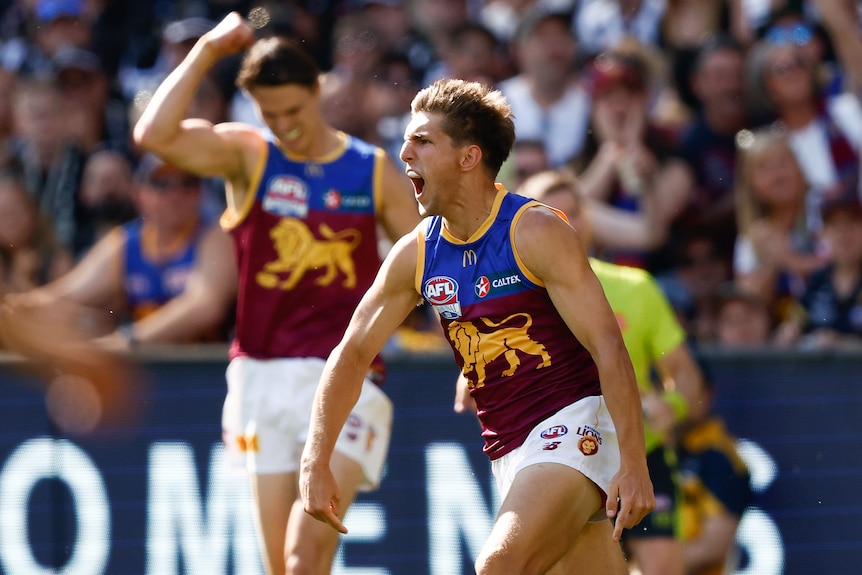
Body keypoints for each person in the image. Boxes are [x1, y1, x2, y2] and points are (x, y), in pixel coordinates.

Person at [299, 78, 654, 575]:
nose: (404, 153)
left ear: (469, 158)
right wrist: (316, 459)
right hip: (509, 447)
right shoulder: (418, 252)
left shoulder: (535, 230)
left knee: (497, 568)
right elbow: (352, 353)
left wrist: (634, 463)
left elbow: (608, 349)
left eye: (422, 141)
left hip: (575, 427)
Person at [132, 12, 421, 575]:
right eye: (270, 114)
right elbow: (153, 135)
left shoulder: (372, 170)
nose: (285, 125)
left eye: (294, 110)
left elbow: (431, 265)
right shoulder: (249, 155)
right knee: (283, 569)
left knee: (304, 552)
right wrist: (209, 51)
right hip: (262, 377)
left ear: (318, 91)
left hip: (347, 376)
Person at [514, 169, 707, 575]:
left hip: (642, 448)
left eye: (576, 212)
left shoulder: (635, 287)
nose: (568, 223)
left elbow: (685, 374)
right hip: (565, 458)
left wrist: (669, 403)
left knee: (663, 567)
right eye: (554, 214)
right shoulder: (516, 298)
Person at [4, 155, 236, 349]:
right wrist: (13, 308)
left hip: (211, 368)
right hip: (154, 371)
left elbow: (205, 306)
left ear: (200, 193)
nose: (175, 194)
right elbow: (64, 295)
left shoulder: (215, 236)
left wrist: (125, 340)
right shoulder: (126, 244)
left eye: (187, 183)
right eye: (161, 184)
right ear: (139, 194)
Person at [677, 361, 753, 575]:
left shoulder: (722, 457)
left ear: (707, 394)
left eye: (687, 386)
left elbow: (713, 547)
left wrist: (648, 565)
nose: (676, 397)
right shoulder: (648, 452)